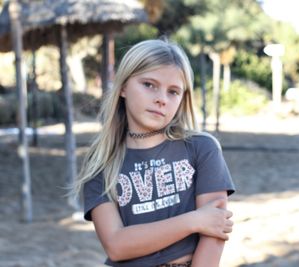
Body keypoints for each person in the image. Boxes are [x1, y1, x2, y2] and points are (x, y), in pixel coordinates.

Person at [72, 39, 235, 267]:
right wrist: (194, 221)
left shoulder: (202, 148)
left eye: (173, 91)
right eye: (149, 84)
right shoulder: (101, 161)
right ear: (123, 87)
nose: (161, 99)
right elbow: (116, 246)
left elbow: (215, 229)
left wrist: (203, 223)